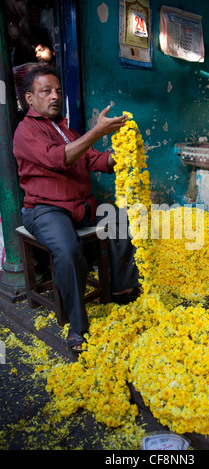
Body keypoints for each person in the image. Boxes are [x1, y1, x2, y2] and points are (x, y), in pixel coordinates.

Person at [13, 67, 140, 352]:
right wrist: (97, 131)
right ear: (30, 99)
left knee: (120, 217)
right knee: (68, 249)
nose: (55, 96)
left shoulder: (67, 130)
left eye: (58, 90)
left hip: (80, 207)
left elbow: (96, 159)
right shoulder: (26, 131)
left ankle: (120, 287)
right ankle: (77, 325)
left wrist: (126, 152)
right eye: (46, 91)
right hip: (45, 210)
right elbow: (59, 158)